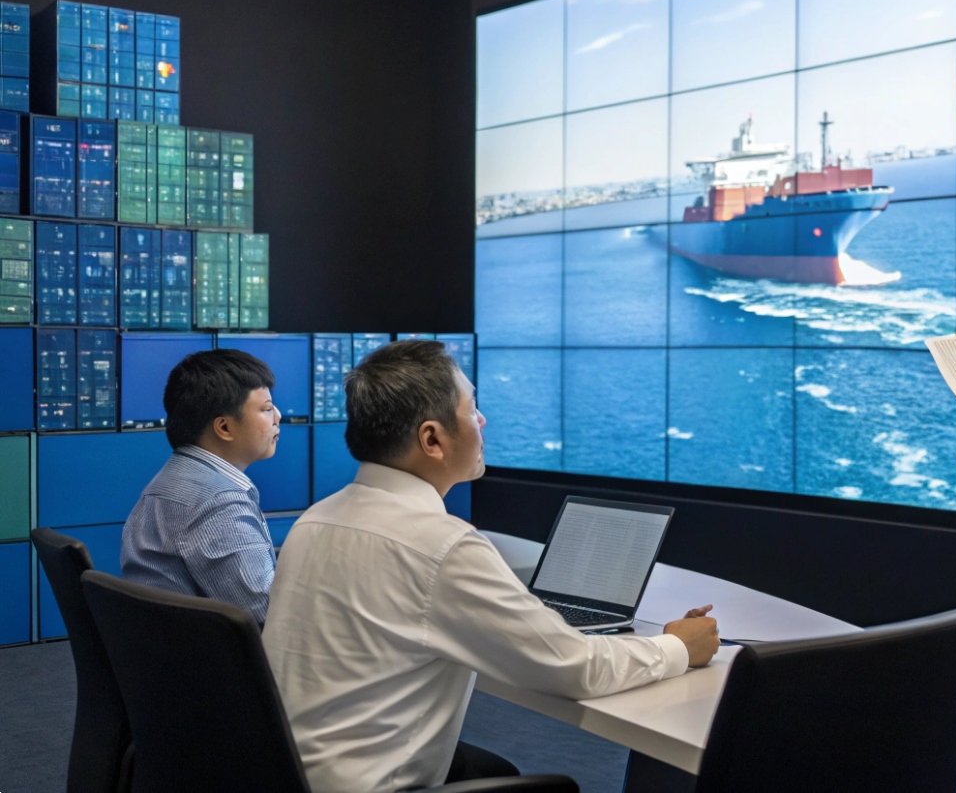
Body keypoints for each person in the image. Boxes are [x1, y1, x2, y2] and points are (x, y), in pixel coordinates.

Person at [263, 339, 720, 792]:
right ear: (432, 439)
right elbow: (575, 667)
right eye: (472, 408)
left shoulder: (315, 520)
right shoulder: (441, 546)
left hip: (293, 772)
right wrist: (677, 646)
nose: (483, 421)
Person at [121, 349, 281, 625]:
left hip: (165, 649)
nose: (278, 416)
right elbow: (268, 613)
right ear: (224, 428)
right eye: (266, 409)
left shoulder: (173, 478)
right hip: (211, 661)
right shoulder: (216, 502)